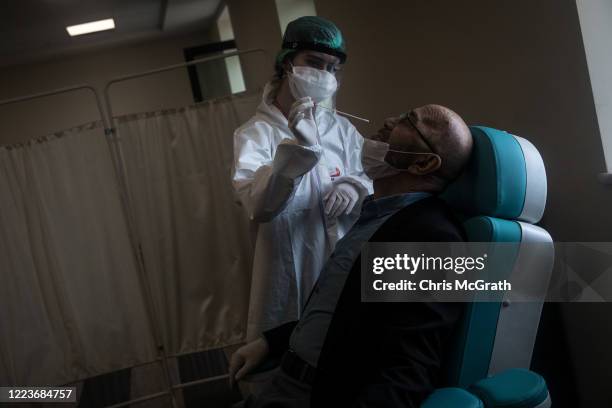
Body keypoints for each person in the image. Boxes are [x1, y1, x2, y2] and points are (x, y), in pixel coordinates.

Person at [229, 104, 474, 407]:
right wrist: (271, 343)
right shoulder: (375, 216)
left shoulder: (432, 238)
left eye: (409, 120)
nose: (390, 119)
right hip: (284, 379)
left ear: (423, 164)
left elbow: (409, 368)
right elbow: (345, 314)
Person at [232, 16, 373, 340]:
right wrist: (300, 149)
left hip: (347, 263)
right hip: (291, 272)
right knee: (297, 352)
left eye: (332, 68)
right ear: (286, 63)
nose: (324, 75)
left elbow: (369, 175)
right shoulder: (253, 135)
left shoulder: (341, 128)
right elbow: (259, 205)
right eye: (314, 62)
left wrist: (355, 184)